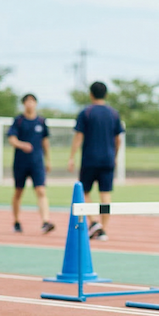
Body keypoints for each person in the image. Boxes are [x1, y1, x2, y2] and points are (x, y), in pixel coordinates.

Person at [67, 81, 124, 241]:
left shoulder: (86, 112)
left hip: (90, 159)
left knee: (85, 191)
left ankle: (93, 222)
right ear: (105, 94)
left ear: (91, 94)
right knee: (105, 194)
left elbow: (79, 136)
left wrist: (71, 157)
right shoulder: (114, 113)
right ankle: (104, 230)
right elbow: (118, 139)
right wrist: (115, 156)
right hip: (108, 159)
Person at [8, 93, 55, 235]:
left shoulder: (41, 121)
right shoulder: (19, 121)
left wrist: (48, 159)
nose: (30, 104)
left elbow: (45, 142)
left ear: (36, 103)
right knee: (18, 192)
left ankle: (46, 221)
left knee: (41, 190)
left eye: (32, 101)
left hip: (37, 163)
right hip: (21, 163)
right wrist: (22, 145)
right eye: (27, 101)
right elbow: (12, 139)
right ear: (24, 104)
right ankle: (16, 221)